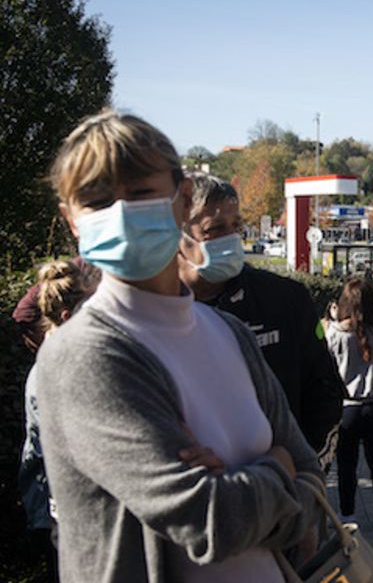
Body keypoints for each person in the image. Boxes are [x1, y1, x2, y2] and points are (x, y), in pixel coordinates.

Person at [34, 110, 323, 581]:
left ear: (183, 198)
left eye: (140, 193)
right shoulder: (85, 355)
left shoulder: (230, 334)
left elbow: (309, 471)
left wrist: (255, 482)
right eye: (97, 201)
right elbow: (211, 523)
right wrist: (277, 466)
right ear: (71, 220)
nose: (121, 213)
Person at [177, 169, 345, 458]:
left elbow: (324, 392)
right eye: (214, 228)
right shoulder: (153, 311)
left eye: (236, 226)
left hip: (280, 483)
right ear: (176, 234)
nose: (230, 238)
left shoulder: (286, 299)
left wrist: (295, 464)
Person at [18, 259, 95, 582]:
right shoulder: (62, 368)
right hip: (73, 520)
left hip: (59, 515)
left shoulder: (49, 364)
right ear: (68, 316)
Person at [324, 278, 373, 534]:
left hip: (347, 409)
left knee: (346, 466)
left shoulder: (335, 334)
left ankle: (347, 515)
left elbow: (325, 372)